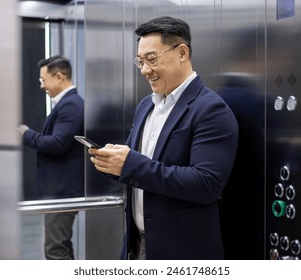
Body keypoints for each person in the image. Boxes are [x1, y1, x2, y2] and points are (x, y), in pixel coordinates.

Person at [88, 16, 238, 260]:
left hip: (181, 251)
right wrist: (112, 163)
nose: (146, 70)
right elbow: (139, 163)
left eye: (152, 59)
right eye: (140, 62)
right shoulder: (146, 105)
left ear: (181, 52)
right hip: (137, 244)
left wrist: (130, 164)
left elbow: (206, 184)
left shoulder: (210, 109)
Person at [18, 55, 84, 260]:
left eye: (43, 80)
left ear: (59, 76)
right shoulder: (66, 103)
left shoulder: (71, 105)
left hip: (62, 191)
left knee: (56, 249)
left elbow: (57, 144)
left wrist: (27, 134)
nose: (41, 86)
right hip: (59, 190)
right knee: (59, 246)